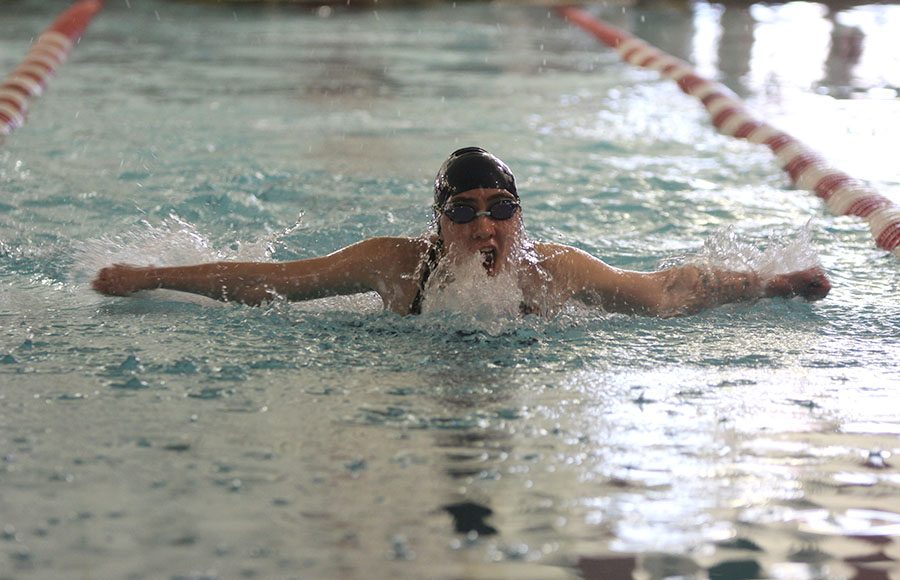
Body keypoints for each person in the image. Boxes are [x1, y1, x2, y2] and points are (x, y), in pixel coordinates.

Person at [92, 147, 830, 317]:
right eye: (465, 210)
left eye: (500, 209)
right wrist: (154, 276)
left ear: (519, 215)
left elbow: (662, 293)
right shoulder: (395, 266)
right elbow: (275, 281)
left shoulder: (553, 271)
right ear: (439, 220)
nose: (484, 224)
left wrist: (769, 284)